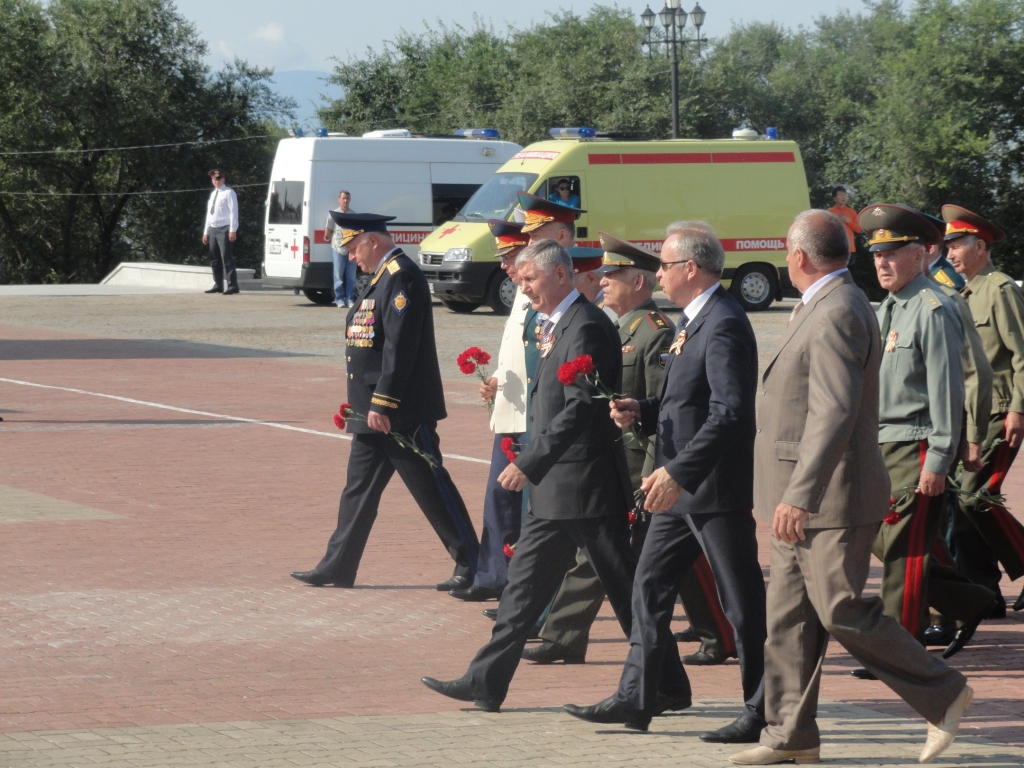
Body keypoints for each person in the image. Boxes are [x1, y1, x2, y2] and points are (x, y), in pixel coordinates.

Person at [729, 209, 972, 767]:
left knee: (840, 607)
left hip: (830, 494)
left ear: (798, 257)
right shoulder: (825, 303)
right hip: (803, 493)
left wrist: (801, 492)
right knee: (787, 620)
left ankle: (944, 691)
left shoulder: (837, 308)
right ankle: (790, 736)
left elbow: (835, 411)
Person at [565, 221, 767, 743]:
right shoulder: (692, 320)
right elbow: (687, 402)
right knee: (647, 588)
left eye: (665, 265)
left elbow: (729, 413)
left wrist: (678, 472)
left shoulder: (722, 322)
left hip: (709, 488)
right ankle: (637, 698)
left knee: (741, 601)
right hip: (675, 488)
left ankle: (762, 707)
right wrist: (645, 410)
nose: (658, 274)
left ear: (691, 270)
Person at [420, 239, 637, 712]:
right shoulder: (551, 324)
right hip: (553, 490)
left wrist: (528, 461)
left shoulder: (588, 327)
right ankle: (485, 681)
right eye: (520, 281)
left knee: (627, 593)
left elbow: (581, 408)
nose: (523, 288)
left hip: (586, 486)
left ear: (560, 275)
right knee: (521, 593)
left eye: (530, 279)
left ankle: (661, 682)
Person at [290, 212, 480, 592]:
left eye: (354, 248)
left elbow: (400, 347)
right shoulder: (380, 277)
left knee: (430, 486)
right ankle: (338, 565)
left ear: (373, 241)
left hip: (399, 411)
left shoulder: (401, 276)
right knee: (357, 490)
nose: (351, 257)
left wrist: (384, 402)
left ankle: (475, 564)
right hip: (371, 410)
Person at [849, 204, 992, 672]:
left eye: (893, 253)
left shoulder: (932, 308)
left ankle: (899, 652)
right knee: (880, 539)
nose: (882, 263)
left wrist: (940, 458)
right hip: (883, 443)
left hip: (916, 444)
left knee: (903, 553)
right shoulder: (893, 305)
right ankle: (969, 600)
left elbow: (947, 387)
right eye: (876, 255)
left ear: (921, 255)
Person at [522, 234, 675, 665]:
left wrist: (652, 471)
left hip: (633, 465)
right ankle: (563, 637)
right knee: (607, 563)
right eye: (604, 276)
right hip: (606, 465)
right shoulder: (617, 326)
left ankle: (712, 637)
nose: (604, 283)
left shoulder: (653, 332)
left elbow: (662, 410)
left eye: (615, 276)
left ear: (640, 284)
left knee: (646, 566)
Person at [945, 204, 1024, 615]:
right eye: (948, 246)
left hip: (1000, 410)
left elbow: (1021, 353)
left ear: (980, 245)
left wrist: (1019, 410)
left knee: (976, 500)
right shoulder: (964, 295)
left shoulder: (1000, 289)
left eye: (957, 245)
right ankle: (984, 593)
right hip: (971, 415)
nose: (951, 253)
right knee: (962, 503)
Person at [449, 220, 534, 602]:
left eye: (509, 255)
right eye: (502, 257)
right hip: (511, 408)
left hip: (529, 413)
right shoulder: (519, 292)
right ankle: (493, 576)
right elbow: (514, 351)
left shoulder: (535, 290)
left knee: (519, 503)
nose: (504, 265)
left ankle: (509, 581)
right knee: (500, 499)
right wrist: (497, 376)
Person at [202, 169, 239, 295]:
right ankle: (218, 284)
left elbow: (234, 213)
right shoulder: (213, 194)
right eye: (214, 179)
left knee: (226, 258)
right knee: (214, 258)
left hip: (225, 228)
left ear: (223, 179)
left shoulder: (229, 193)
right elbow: (209, 214)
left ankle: (232, 286)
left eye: (218, 179)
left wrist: (233, 230)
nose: (216, 181)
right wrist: (206, 232)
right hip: (213, 228)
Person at [325, 190, 358, 307]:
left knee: (351, 276)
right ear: (339, 199)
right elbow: (328, 231)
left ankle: (350, 299)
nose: (345, 200)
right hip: (338, 249)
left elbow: (357, 232)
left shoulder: (353, 215)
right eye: (343, 198)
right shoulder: (334, 214)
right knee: (338, 275)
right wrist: (328, 238)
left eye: (347, 198)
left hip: (351, 250)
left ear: (350, 200)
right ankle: (339, 299)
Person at [827, 185, 861, 259]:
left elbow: (858, 229)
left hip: (850, 248)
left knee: (850, 270)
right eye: (841, 195)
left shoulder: (852, 212)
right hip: (836, 249)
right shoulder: (830, 213)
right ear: (835, 198)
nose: (843, 197)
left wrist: (848, 221)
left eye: (845, 195)